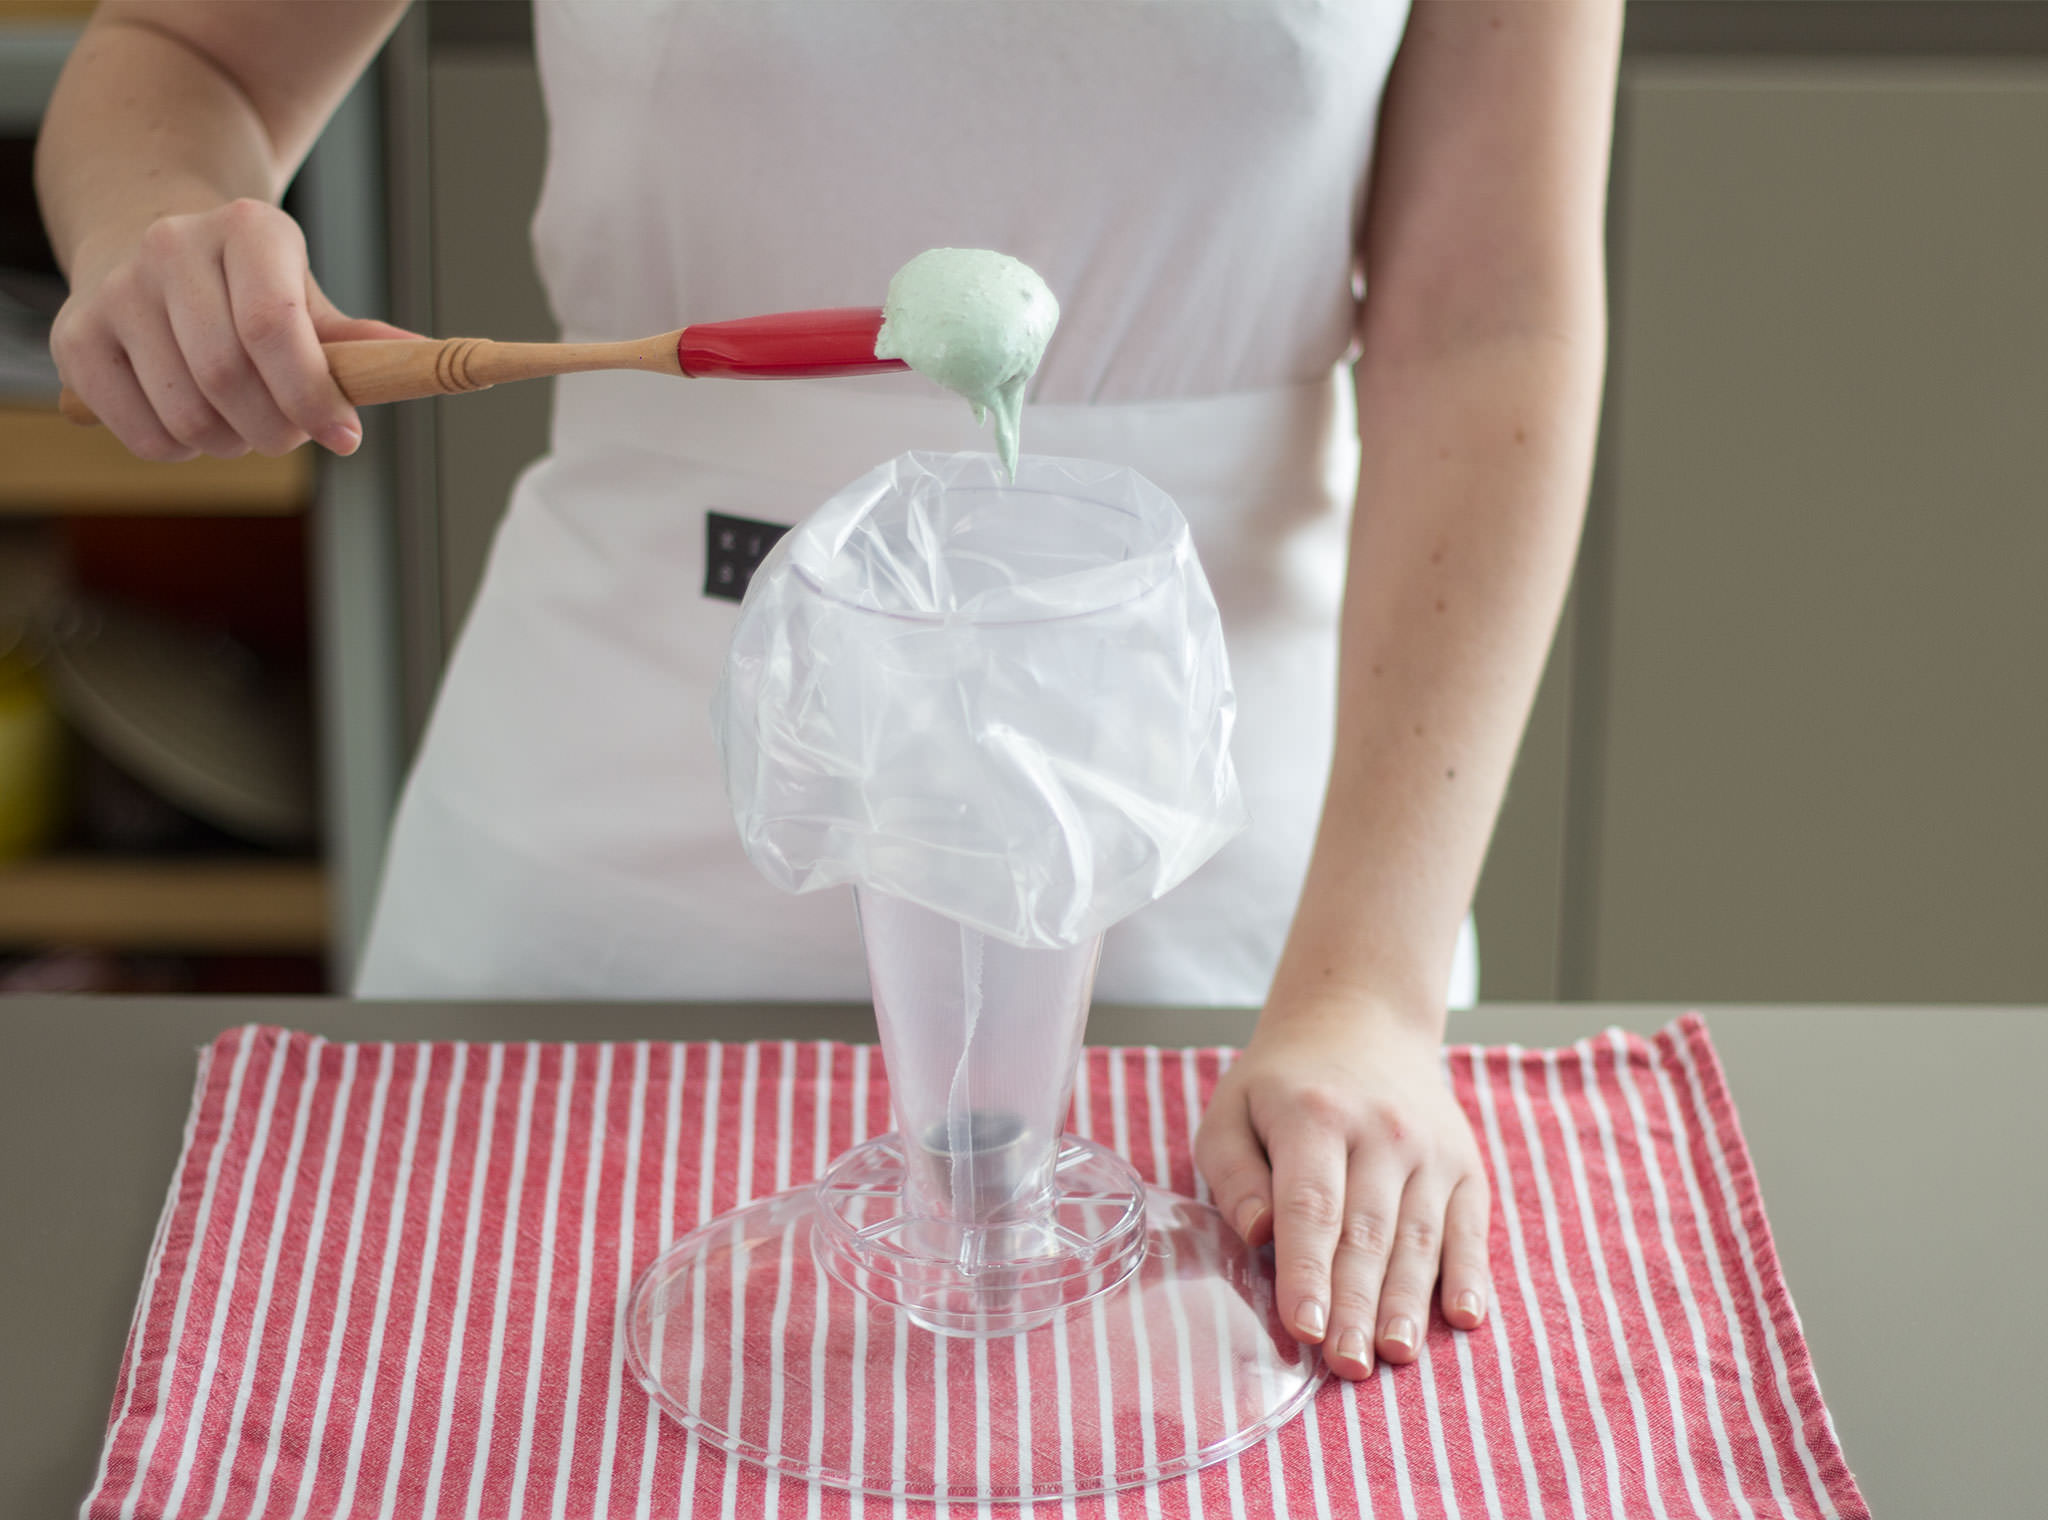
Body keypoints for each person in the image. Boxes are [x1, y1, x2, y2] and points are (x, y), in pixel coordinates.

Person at [38, 0, 1622, 1384]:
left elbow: (1492, 326)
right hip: (597, 897)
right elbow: (185, 56)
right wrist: (160, 226)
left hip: (1231, 924)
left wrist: (1365, 992)